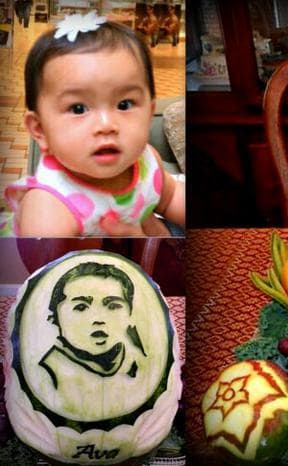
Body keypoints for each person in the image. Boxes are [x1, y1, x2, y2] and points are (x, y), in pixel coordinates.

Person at [4, 11, 185, 236]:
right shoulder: (49, 207)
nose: (107, 124)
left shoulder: (148, 162)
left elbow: (170, 198)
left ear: (149, 113)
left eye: (124, 104)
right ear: (40, 130)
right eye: (78, 109)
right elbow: (55, 269)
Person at [38, 262, 148, 418]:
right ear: (54, 319)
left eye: (112, 306)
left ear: (131, 316)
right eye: (81, 307)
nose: (98, 319)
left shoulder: (141, 363)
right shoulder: (48, 373)